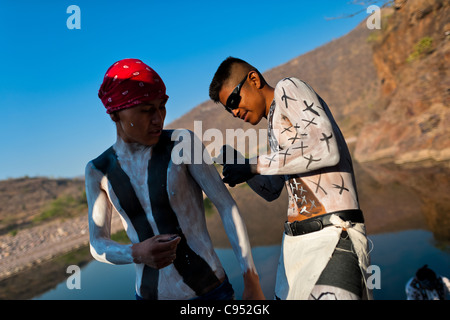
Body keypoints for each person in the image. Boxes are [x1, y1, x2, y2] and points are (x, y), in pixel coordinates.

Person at [85, 58, 264, 300]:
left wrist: (251, 279)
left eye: (162, 107)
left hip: (209, 292)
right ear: (115, 114)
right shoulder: (98, 169)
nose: (158, 118)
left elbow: (226, 206)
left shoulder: (183, 143)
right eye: (147, 111)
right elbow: (97, 244)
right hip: (147, 295)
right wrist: (136, 253)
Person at [209, 57, 372, 300]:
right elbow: (272, 190)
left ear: (253, 79)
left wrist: (251, 166)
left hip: (334, 235)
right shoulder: (274, 127)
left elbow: (324, 149)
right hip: (294, 246)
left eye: (234, 100)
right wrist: (239, 164)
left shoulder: (288, 87)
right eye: (227, 108)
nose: (234, 111)